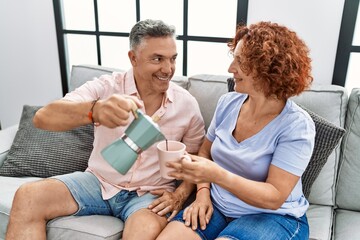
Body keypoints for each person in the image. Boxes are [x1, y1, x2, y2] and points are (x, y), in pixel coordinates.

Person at [6, 19, 205, 240]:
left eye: (173, 59)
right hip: (97, 183)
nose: (168, 69)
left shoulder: (186, 104)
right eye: (157, 59)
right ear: (133, 58)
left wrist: (180, 194)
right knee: (28, 196)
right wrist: (94, 110)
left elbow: (197, 158)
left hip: (149, 194)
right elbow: (42, 118)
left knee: (142, 232)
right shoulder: (106, 87)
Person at [156, 21, 316, 240]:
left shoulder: (296, 126)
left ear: (268, 70)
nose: (231, 69)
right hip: (218, 207)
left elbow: (274, 197)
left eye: (240, 61)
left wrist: (217, 175)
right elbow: (204, 153)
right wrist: (203, 194)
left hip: (272, 216)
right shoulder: (228, 103)